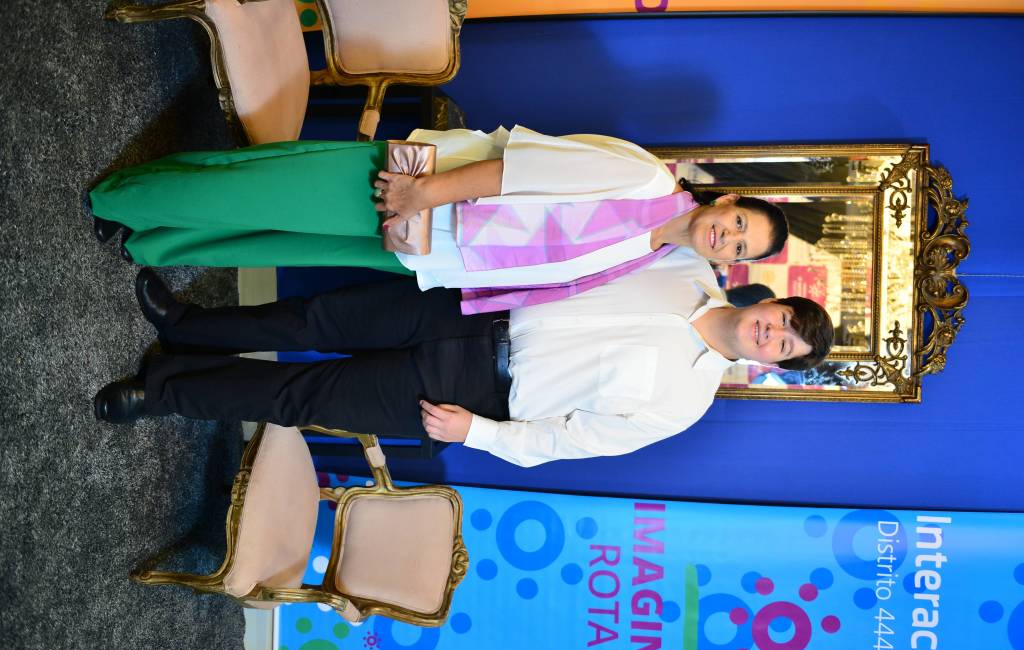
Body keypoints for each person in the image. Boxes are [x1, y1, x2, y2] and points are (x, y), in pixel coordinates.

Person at [94, 252, 834, 467]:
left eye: (784, 346)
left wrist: (476, 433)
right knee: (312, 316)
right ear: (771, 301)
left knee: (303, 396)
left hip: (476, 390)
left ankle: (165, 391)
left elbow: (569, 440)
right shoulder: (683, 265)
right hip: (474, 307)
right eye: (782, 321)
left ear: (773, 365)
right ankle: (188, 325)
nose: (771, 334)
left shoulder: (684, 404)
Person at [87, 127, 789, 299]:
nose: (727, 238)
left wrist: (439, 265)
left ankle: (152, 242)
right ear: (727, 201)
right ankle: (122, 199)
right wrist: (422, 194)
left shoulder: (647, 255)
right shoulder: (644, 179)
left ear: (727, 264)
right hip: (426, 191)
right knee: (259, 191)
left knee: (275, 240)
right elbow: (524, 167)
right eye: (738, 224)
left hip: (433, 253)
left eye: (739, 249)